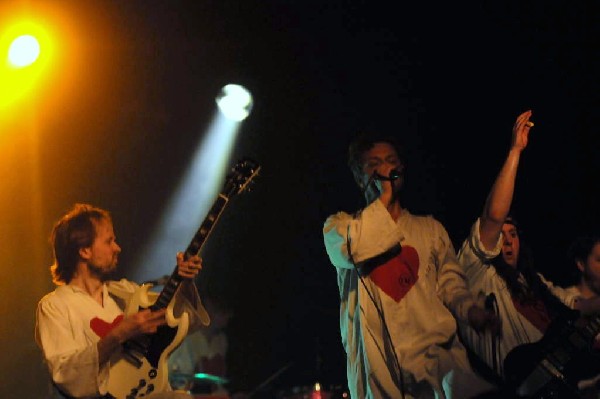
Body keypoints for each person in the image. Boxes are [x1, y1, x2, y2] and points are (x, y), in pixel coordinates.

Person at [322, 132, 498, 398]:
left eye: (391, 161)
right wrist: (383, 197)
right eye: (374, 164)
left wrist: (472, 310)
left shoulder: (430, 228)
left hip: (436, 359)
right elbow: (354, 249)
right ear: (360, 177)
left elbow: (451, 284)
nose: (385, 168)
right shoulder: (340, 227)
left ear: (401, 170)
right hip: (378, 370)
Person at [455, 110, 598, 396]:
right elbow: (494, 216)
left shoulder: (534, 283)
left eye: (514, 235)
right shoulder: (476, 272)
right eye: (501, 236)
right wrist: (515, 151)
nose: (507, 242)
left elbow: (577, 306)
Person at [35, 203, 210, 399]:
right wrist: (119, 334)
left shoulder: (127, 293)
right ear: (84, 251)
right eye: (109, 241)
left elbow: (181, 322)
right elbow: (65, 374)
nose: (117, 248)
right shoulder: (55, 306)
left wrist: (185, 282)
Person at [168, 294, 233, 396]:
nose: (227, 317)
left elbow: (217, 382)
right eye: (222, 312)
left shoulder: (221, 340)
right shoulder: (187, 336)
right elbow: (174, 374)